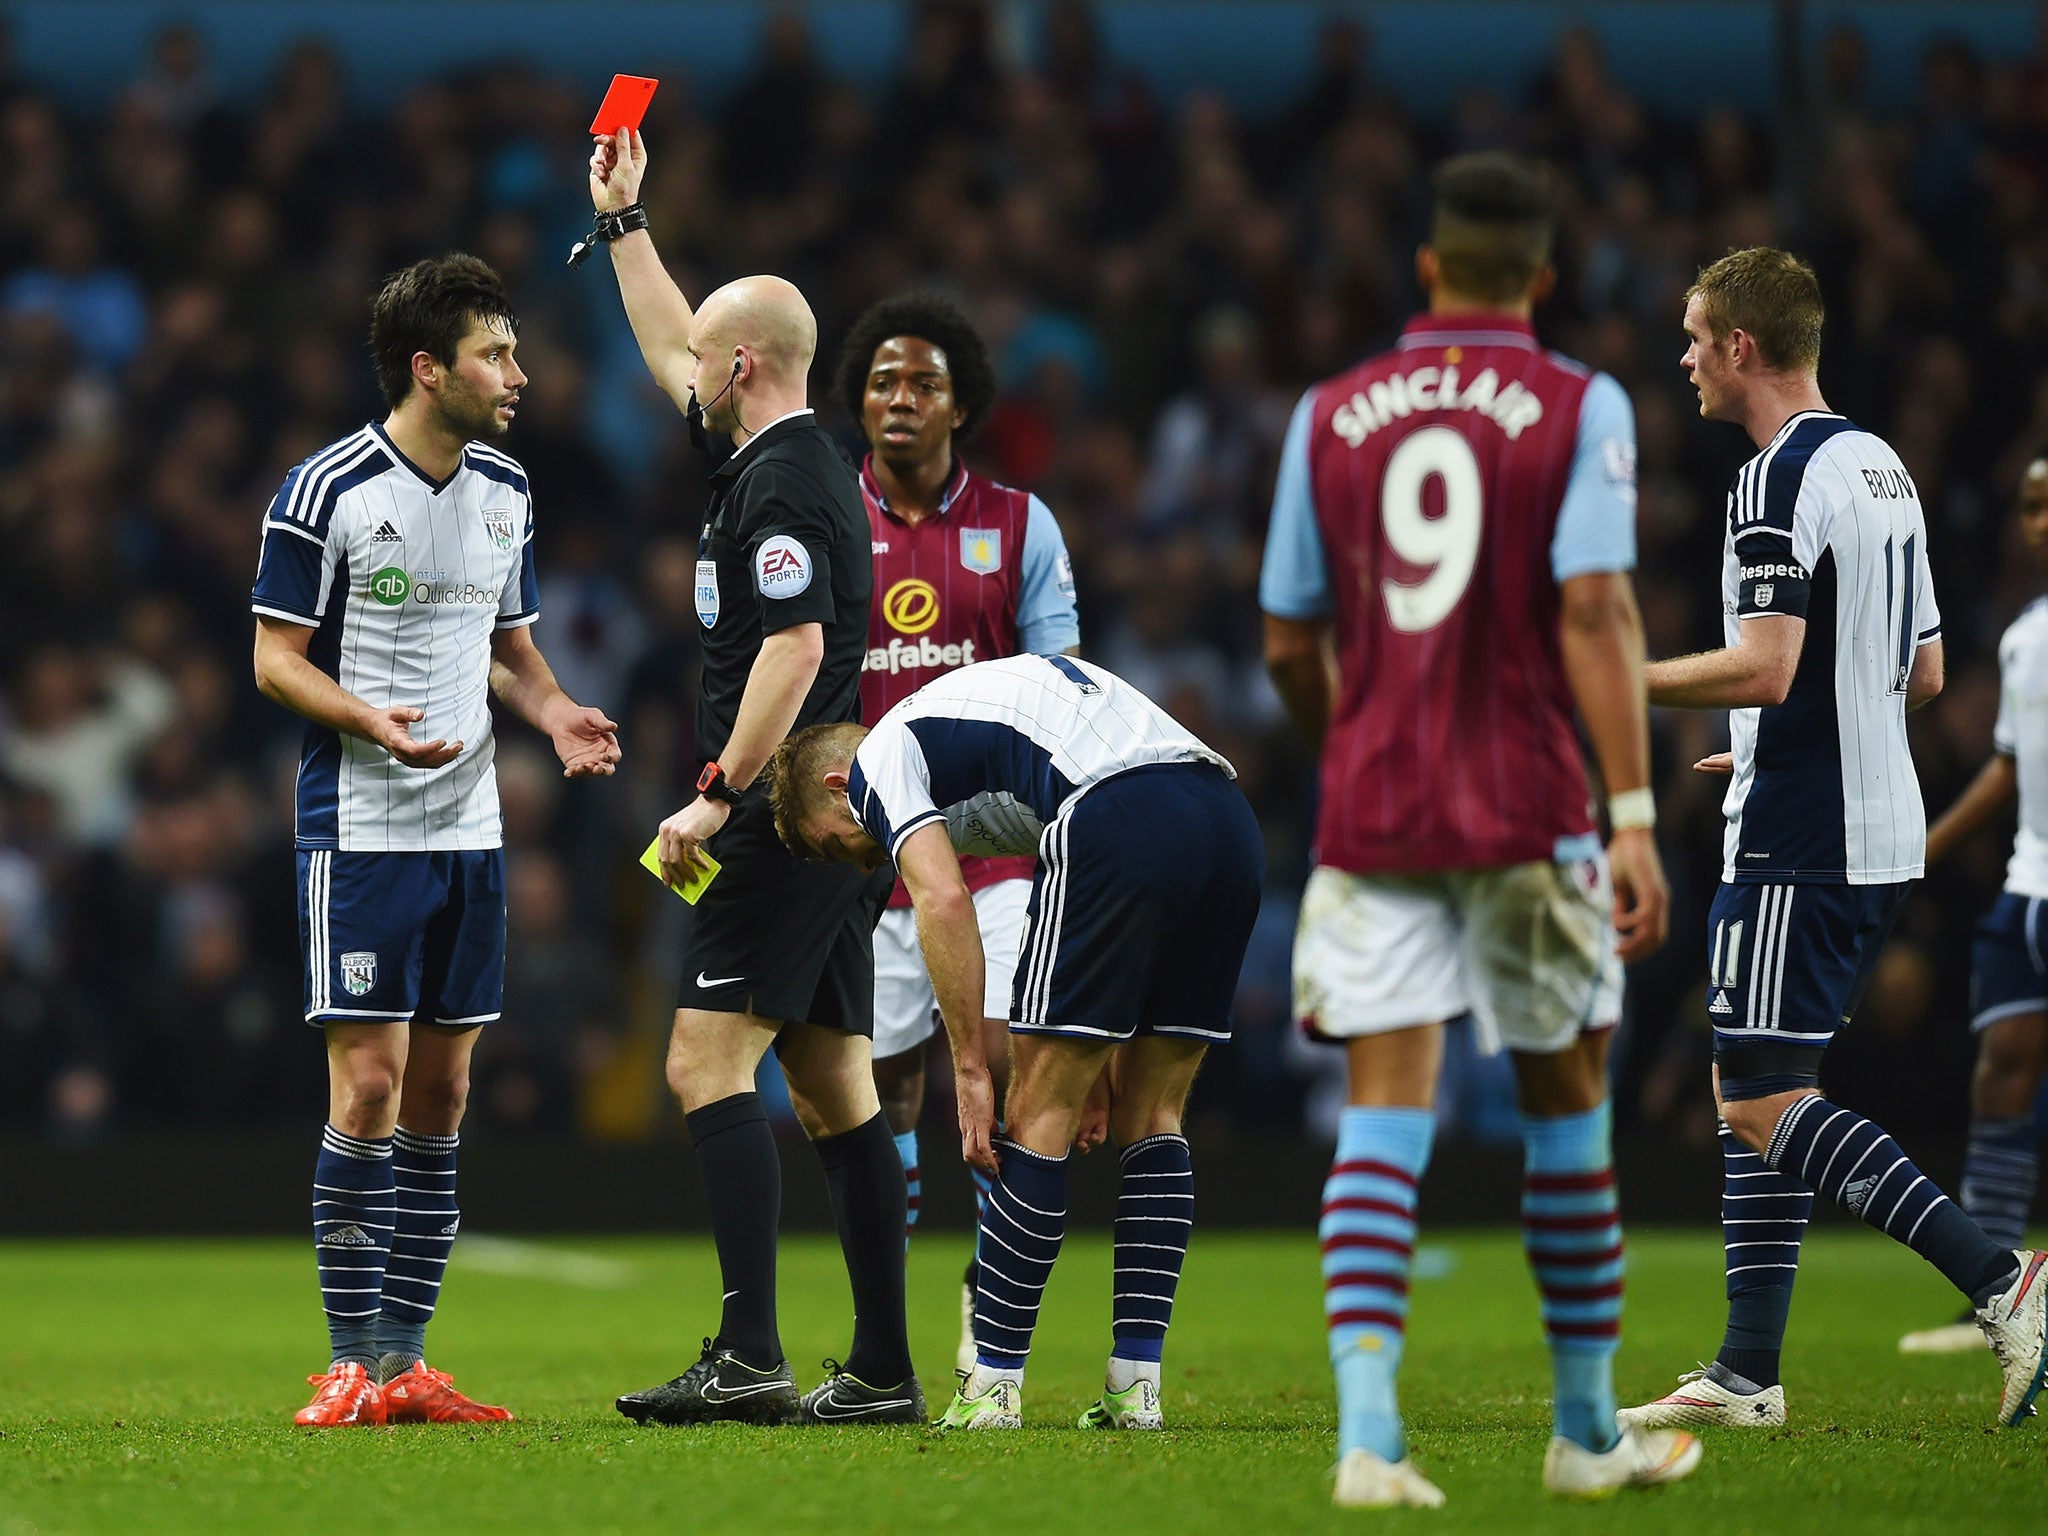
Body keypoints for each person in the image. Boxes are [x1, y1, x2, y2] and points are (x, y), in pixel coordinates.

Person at [1258, 151, 1693, 1507]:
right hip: (1527, 805)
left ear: (1429, 268)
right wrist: (1632, 817)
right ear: (1545, 280)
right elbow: (1595, 613)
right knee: (1569, 1104)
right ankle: (1582, 1434)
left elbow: (1286, 638)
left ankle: (1371, 1444)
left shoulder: (1329, 414)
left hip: (1377, 810)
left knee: (1385, 1112)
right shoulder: (1577, 402)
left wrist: (1357, 737)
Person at [1623, 248, 2046, 1433]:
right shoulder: (1881, 468)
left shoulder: (1770, 479)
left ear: (1743, 347)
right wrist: (1766, 740)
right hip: (1876, 825)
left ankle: (1999, 1281)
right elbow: (1919, 671)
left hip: (1799, 839)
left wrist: (1616, 683)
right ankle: (1746, 1374)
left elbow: (1764, 664)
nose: (1686, 359)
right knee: (1764, 1087)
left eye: (1698, 337)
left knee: (1755, 1099)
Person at [250, 254, 622, 1428]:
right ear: (429, 368)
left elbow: (509, 648)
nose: (518, 374)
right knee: (366, 1086)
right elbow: (273, 657)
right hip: (359, 829)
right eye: (495, 355)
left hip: (470, 831)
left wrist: (556, 709)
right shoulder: (326, 492)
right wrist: (366, 720)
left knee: (445, 1093)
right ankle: (345, 1361)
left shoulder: (507, 485)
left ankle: (405, 1363)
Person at [586, 127, 920, 1426]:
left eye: (704, 360)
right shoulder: (777, 454)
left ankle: (749, 1357)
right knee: (836, 1083)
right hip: (835, 810)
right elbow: (677, 341)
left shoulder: (777, 481)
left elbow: (796, 645)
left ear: (743, 367)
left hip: (781, 814)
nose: (686, 373)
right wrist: (626, 225)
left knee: (702, 1066)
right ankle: (884, 1369)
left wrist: (716, 793)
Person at [764, 653, 1264, 1432]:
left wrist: (968, 1068)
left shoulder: (881, 758)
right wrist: (1087, 1050)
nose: (857, 863)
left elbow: (943, 898)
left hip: (1118, 812)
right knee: (1156, 1114)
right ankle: (1136, 1390)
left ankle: (990, 1388)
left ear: (837, 786)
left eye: (834, 846)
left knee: (1034, 1116)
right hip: (1225, 818)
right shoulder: (974, 750)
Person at [833, 291, 1082, 1374]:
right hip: (867, 853)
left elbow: (1061, 682)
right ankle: (882, 1342)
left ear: (960, 404)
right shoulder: (826, 523)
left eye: (923, 382)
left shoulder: (1020, 525)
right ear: (857, 400)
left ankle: (991, 1330)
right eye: (883, 380)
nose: (899, 397)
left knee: (995, 1063)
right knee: (876, 1091)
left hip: (991, 848)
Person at [1900, 451, 2048, 1355]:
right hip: (2030, 886)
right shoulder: (2025, 632)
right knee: (2002, 1067)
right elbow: (2009, 764)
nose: (2039, 522)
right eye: (2030, 507)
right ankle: (1995, 1288)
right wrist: (1928, 847)